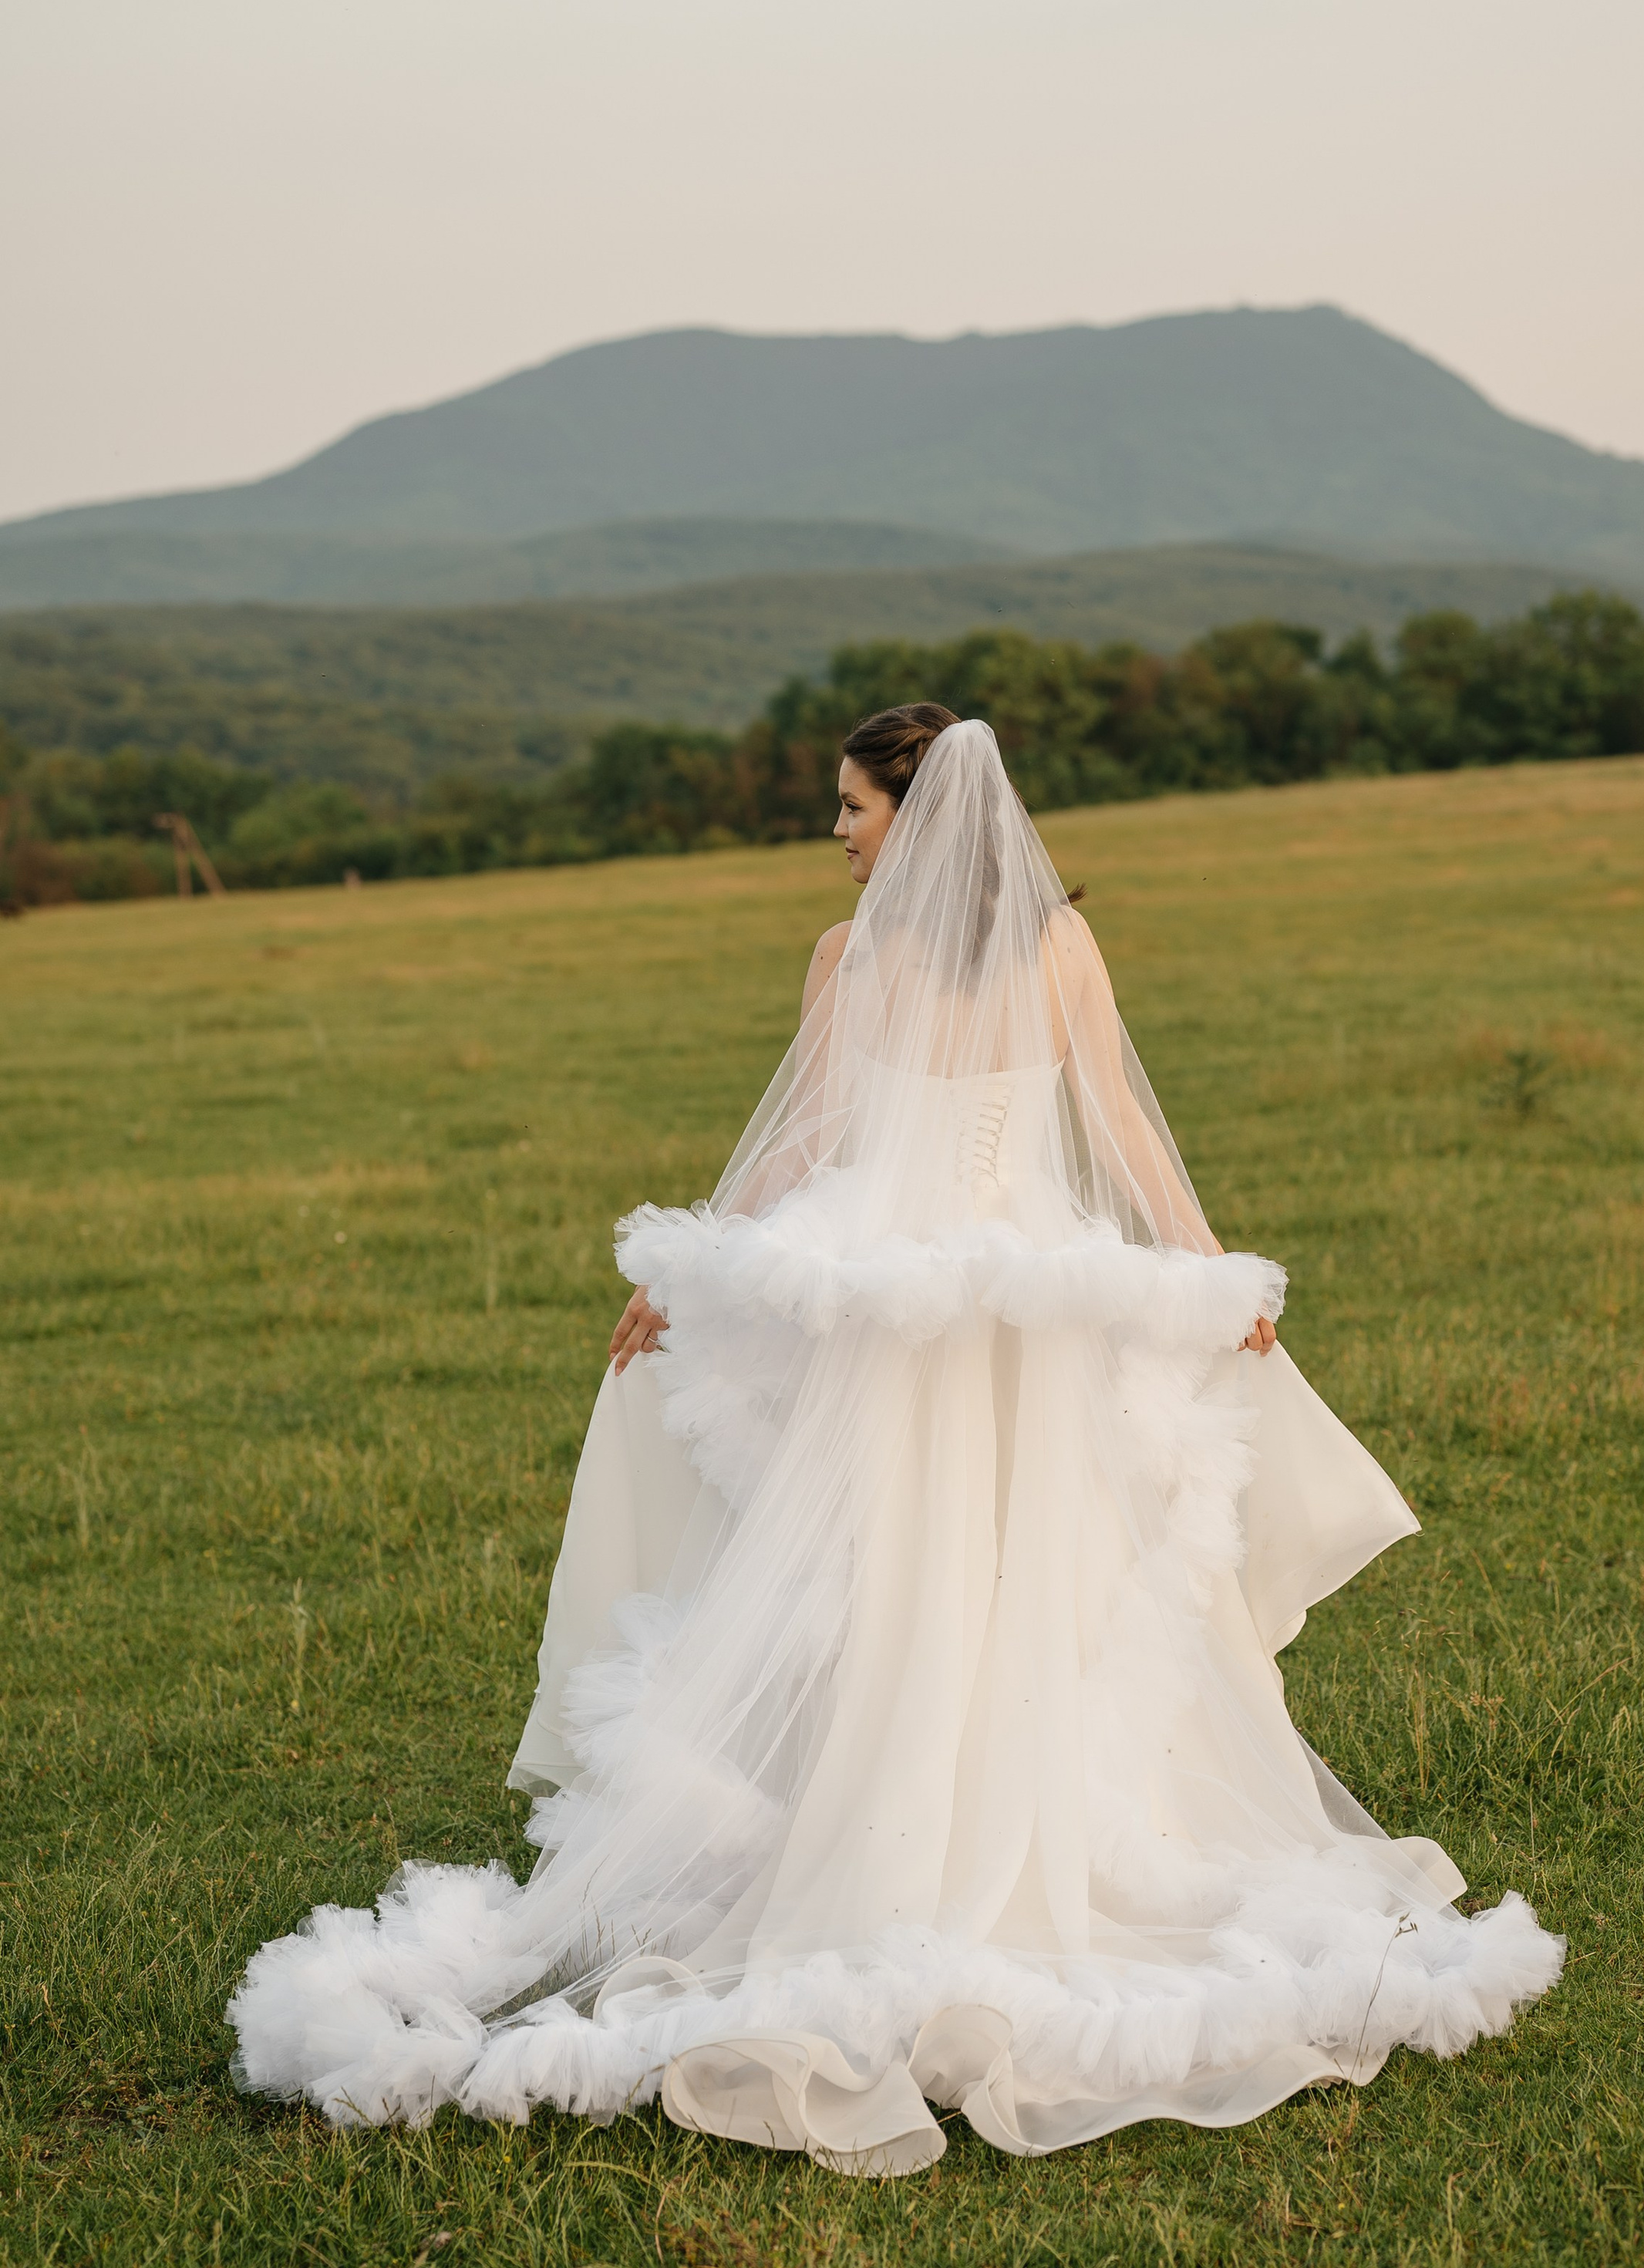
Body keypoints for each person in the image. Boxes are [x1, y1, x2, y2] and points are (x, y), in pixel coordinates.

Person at [230, 706, 1563, 2171]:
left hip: (913, 1304)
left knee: (937, 1569)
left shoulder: (899, 954)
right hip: (991, 1298)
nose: (841, 837)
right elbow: (1035, 1126)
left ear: (915, 819)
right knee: (942, 1571)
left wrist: (1215, 1273)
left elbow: (936, 1131)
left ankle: (924, 1843)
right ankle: (930, 1830)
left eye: (855, 810)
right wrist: (688, 1274)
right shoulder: (1011, 948)